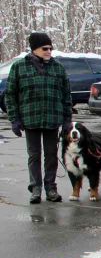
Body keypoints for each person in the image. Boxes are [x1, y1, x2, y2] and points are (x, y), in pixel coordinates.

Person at [5, 32, 72, 203]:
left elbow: (66, 95)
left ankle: (51, 188)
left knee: (51, 155)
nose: (49, 51)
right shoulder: (19, 67)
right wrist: (14, 119)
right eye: (45, 48)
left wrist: (67, 120)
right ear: (34, 49)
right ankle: (35, 188)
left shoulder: (58, 68)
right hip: (30, 119)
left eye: (50, 48)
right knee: (34, 155)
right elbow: (11, 95)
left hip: (52, 118)